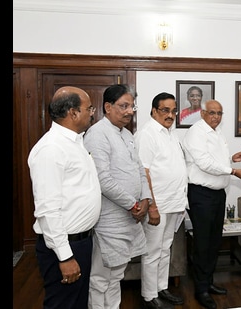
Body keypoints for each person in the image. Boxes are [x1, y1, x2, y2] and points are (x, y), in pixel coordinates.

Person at [28, 86, 102, 309]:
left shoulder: (76, 142)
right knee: (63, 304)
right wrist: (65, 257)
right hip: (64, 246)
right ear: (73, 112)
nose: (92, 112)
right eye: (89, 108)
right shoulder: (51, 149)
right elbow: (47, 210)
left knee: (77, 303)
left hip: (81, 241)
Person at [83, 84, 153, 309]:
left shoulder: (128, 133)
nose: (129, 111)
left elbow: (139, 170)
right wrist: (134, 204)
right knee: (101, 278)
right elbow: (102, 180)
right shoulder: (97, 134)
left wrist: (145, 200)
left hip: (130, 217)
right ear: (107, 107)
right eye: (123, 106)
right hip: (110, 220)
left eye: (131, 106)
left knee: (117, 276)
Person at [181, 99, 241, 309]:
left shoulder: (217, 132)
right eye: (212, 113)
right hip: (201, 195)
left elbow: (216, 160)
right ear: (202, 113)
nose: (216, 117)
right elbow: (204, 163)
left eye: (219, 113)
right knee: (202, 243)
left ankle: (208, 282)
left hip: (217, 194)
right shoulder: (196, 132)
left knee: (214, 242)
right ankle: (201, 289)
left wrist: (232, 159)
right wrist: (232, 171)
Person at [133, 92, 187, 309]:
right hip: (159, 204)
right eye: (165, 110)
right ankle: (148, 295)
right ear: (154, 110)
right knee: (153, 251)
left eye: (174, 111)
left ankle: (161, 288)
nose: (170, 115)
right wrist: (152, 206)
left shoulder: (170, 133)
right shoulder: (147, 134)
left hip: (174, 202)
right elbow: (143, 172)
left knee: (166, 248)